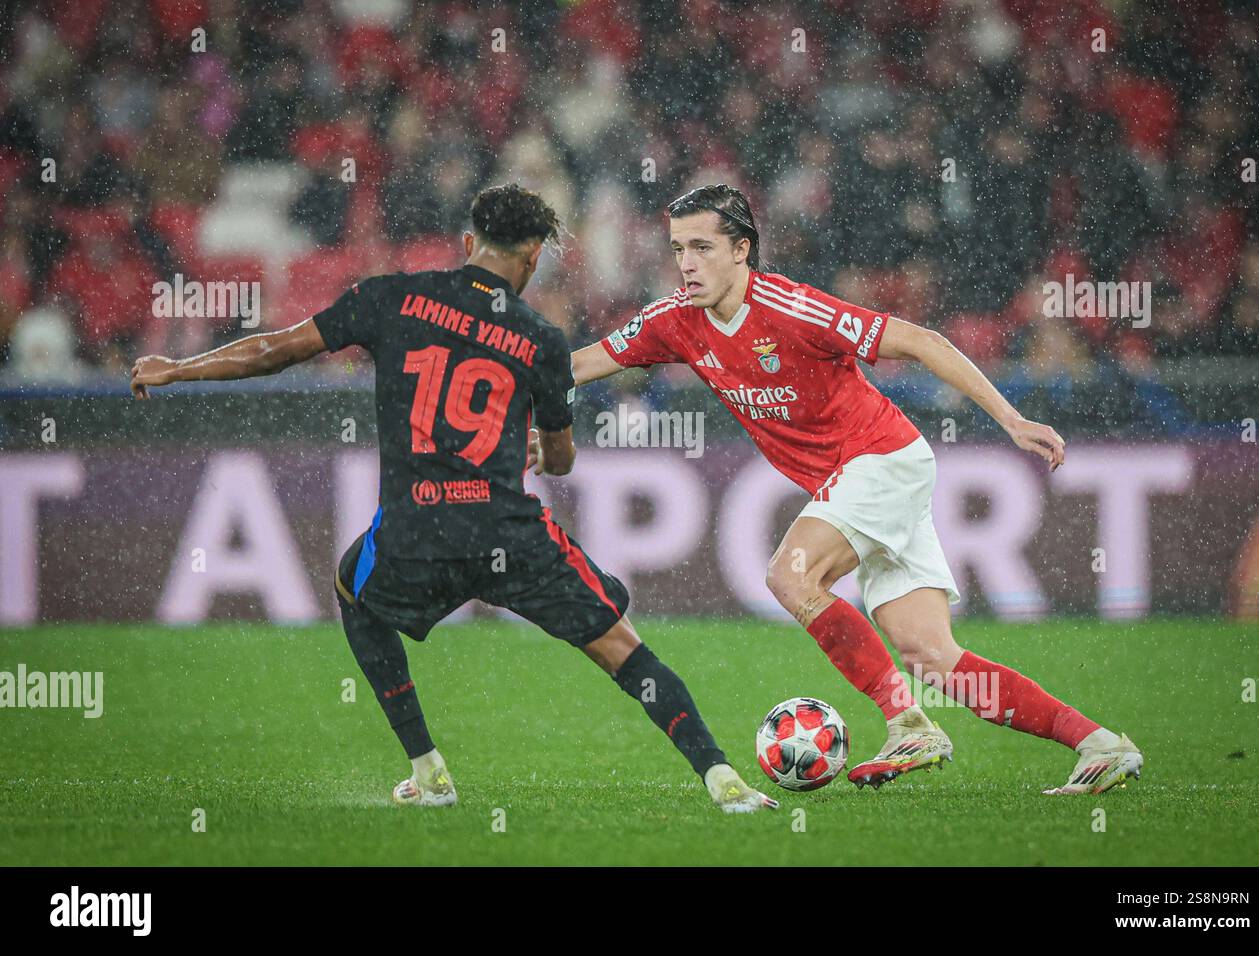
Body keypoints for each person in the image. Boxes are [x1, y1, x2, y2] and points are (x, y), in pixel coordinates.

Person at [130, 183, 777, 813]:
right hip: (509, 532)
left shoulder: (391, 298)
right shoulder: (542, 339)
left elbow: (276, 350)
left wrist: (180, 369)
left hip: (419, 529)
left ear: (469, 241)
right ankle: (723, 780)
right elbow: (559, 458)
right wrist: (536, 450)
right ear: (530, 260)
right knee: (622, 649)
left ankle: (427, 769)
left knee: (353, 588)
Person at [561, 184, 1143, 795]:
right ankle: (1099, 744)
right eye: (678, 248)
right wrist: (501, 370)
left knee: (791, 576)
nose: (686, 263)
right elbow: (578, 364)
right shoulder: (675, 321)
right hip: (869, 478)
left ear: (742, 250)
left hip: (882, 459)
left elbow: (924, 342)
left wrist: (1013, 419)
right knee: (930, 657)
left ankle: (907, 722)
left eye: (702, 247)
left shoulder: (791, 308)